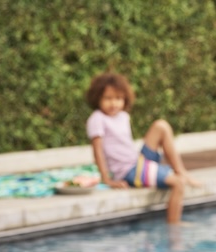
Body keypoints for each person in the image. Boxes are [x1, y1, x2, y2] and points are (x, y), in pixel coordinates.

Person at [85, 71, 200, 224]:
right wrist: (106, 178)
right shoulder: (97, 119)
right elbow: (97, 150)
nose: (114, 103)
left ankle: (181, 171)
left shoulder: (123, 116)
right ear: (97, 98)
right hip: (128, 171)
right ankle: (174, 225)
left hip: (137, 162)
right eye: (108, 98)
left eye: (118, 98)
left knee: (161, 126)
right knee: (178, 184)